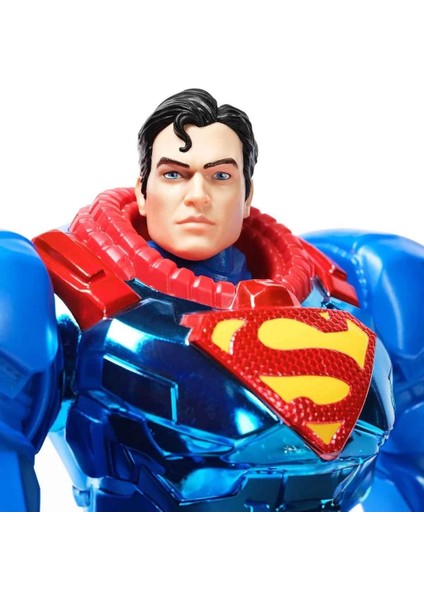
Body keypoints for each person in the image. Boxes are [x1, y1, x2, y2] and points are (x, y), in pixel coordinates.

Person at [1, 89, 423, 511]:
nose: (197, 196)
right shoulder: (53, 291)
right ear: (143, 191)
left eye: (220, 176)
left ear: (247, 194)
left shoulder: (353, 282)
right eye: (174, 174)